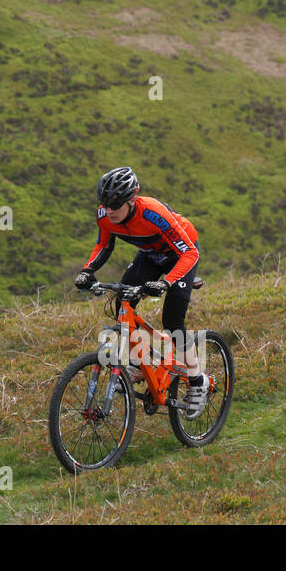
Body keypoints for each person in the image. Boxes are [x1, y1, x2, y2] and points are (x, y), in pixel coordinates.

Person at [73, 166, 208, 417]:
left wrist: (166, 283)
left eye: (115, 205)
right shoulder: (104, 215)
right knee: (122, 303)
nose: (109, 211)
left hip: (180, 256)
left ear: (132, 199)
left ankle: (198, 382)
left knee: (173, 322)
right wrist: (87, 271)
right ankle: (138, 363)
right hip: (150, 256)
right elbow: (104, 245)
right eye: (105, 204)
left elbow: (190, 252)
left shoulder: (154, 214)